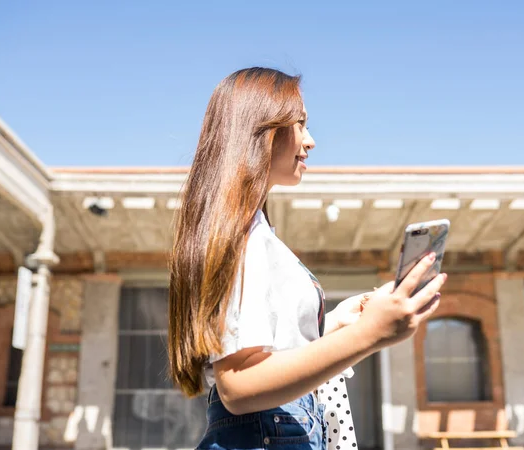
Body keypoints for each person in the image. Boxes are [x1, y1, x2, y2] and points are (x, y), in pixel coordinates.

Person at [168, 67, 446, 450]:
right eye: (300, 123)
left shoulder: (250, 231)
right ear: (261, 128)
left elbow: (265, 351)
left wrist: (337, 323)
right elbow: (240, 385)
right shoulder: (244, 236)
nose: (311, 141)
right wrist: (369, 335)